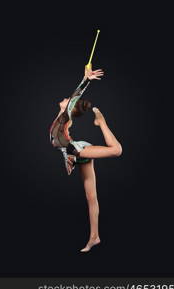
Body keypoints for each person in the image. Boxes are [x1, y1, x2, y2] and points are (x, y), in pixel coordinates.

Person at [49, 66, 122, 252]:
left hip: (79, 150)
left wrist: (86, 79)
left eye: (68, 101)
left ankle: (101, 122)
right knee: (91, 197)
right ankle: (94, 237)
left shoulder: (65, 116)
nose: (66, 99)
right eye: (68, 100)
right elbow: (72, 101)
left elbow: (74, 99)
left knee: (116, 150)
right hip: (74, 154)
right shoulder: (61, 117)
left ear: (70, 108)